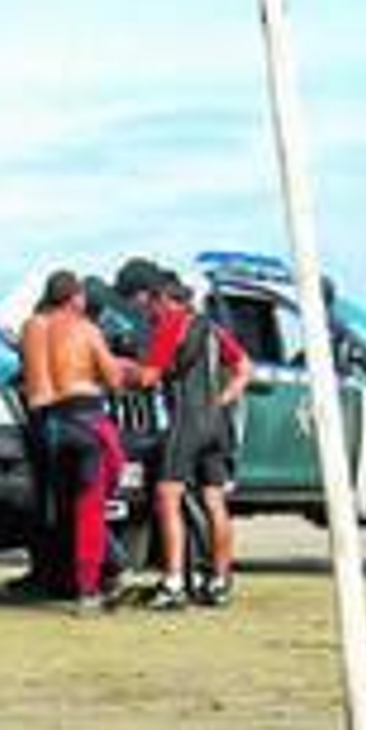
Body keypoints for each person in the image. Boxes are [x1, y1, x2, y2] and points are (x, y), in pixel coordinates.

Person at [115, 257, 252, 610]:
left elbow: (148, 378)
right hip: (217, 423)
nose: (143, 313)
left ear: (156, 298)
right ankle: (220, 581)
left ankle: (174, 582)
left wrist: (117, 368)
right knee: (214, 501)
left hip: (186, 422)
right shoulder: (209, 326)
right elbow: (243, 368)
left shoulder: (170, 326)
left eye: (143, 304)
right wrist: (222, 400)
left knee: (167, 496)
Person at [19, 269, 133, 615]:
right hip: (83, 419)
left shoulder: (31, 326)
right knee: (89, 506)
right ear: (74, 298)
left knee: (56, 505)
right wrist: (120, 367)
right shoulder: (86, 329)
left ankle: (62, 574)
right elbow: (114, 380)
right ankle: (89, 588)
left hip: (42, 423)